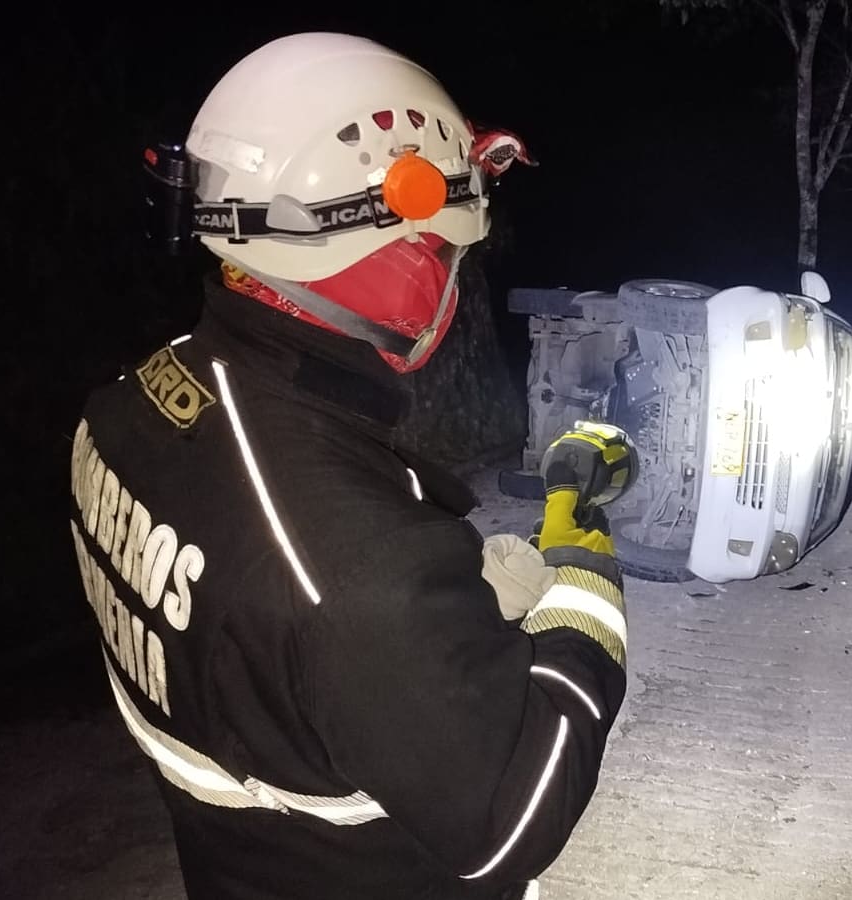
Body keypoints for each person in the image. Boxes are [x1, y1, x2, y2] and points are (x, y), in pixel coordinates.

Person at [67, 32, 627, 900]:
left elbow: (259, 630)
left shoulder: (121, 412)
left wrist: (452, 614)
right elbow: (516, 817)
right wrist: (581, 551)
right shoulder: (363, 578)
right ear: (401, 268)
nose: (448, 274)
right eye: (447, 251)